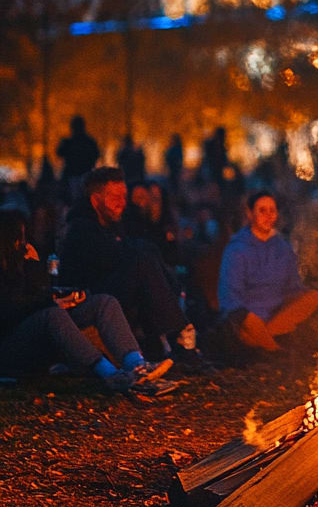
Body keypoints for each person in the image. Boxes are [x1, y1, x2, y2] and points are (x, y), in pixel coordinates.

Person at [0, 209, 173, 396]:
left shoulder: (20, 261)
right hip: (11, 346)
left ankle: (136, 365)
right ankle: (110, 374)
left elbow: (41, 291)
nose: (24, 243)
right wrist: (47, 302)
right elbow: (10, 311)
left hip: (37, 321)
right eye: (20, 237)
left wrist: (37, 273)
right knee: (53, 315)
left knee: (104, 303)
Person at [59, 167, 200, 364]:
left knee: (146, 256)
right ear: (95, 200)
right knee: (142, 258)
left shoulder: (114, 224)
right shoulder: (81, 229)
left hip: (115, 294)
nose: (122, 203)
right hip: (92, 301)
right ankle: (180, 335)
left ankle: (163, 347)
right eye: (115, 197)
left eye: (124, 196)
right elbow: (110, 261)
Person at [217, 191, 318, 352]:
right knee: (243, 318)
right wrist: (246, 318)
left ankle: (264, 338)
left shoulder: (283, 248)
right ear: (250, 214)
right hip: (248, 318)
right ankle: (273, 350)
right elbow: (230, 297)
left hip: (277, 317)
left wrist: (302, 296)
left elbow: (293, 287)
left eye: (272, 210)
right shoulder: (237, 249)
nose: (268, 216)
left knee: (313, 297)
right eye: (262, 210)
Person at [56, 115, 100, 199]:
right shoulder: (89, 141)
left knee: (75, 199)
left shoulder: (68, 142)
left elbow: (59, 153)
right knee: (86, 199)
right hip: (86, 173)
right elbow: (96, 154)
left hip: (73, 175)